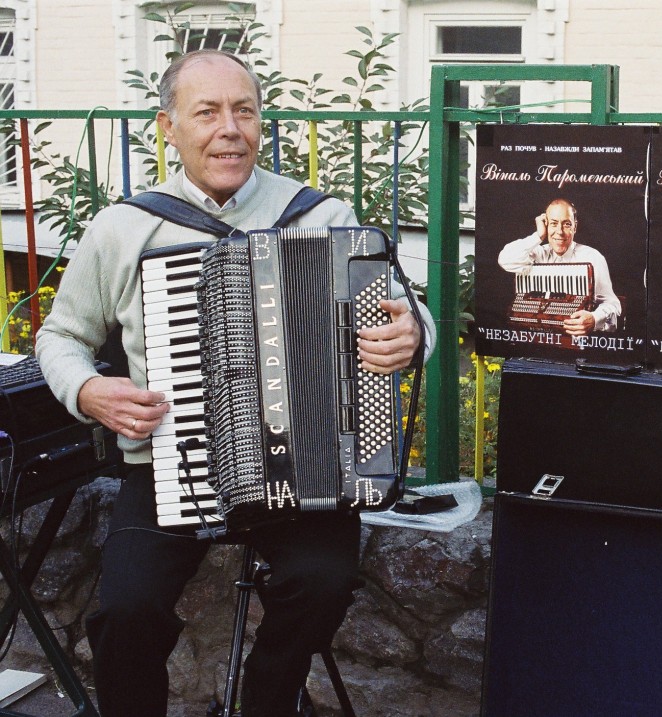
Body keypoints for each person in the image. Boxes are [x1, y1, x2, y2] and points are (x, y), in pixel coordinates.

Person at [35, 49, 435, 717]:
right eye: (208, 112)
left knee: (325, 580)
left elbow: (406, 306)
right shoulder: (122, 229)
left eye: (244, 111)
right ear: (167, 127)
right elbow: (59, 338)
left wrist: (411, 332)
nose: (230, 128)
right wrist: (86, 391)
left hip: (307, 477)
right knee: (125, 610)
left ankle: (268, 697)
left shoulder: (320, 216)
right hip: (167, 467)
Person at [497, 198, 621, 335]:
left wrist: (594, 318)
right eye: (553, 224)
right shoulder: (536, 254)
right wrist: (538, 236)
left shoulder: (593, 257)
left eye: (567, 224)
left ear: (575, 227)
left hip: (579, 341)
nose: (560, 231)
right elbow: (505, 259)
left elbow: (613, 304)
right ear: (546, 225)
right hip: (538, 337)